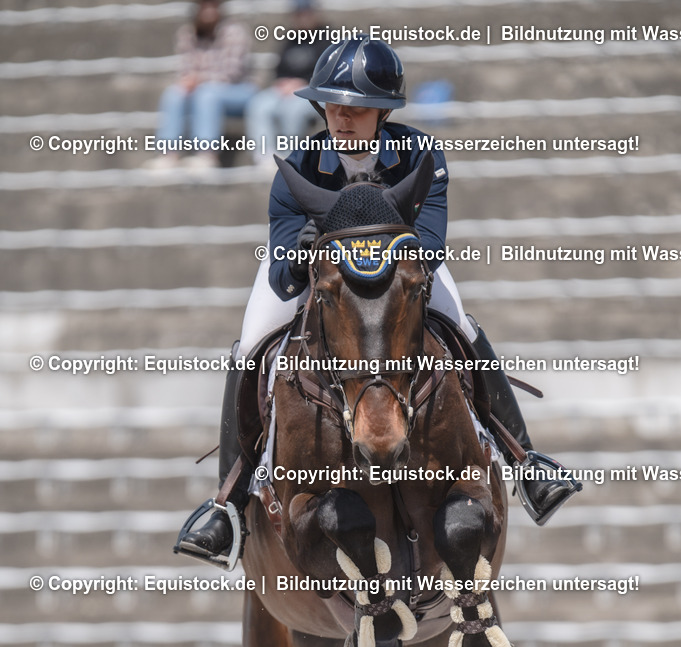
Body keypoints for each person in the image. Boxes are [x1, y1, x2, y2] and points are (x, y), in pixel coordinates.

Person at [177, 36, 580, 565]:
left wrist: (375, 264)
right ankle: (227, 505)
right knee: (250, 345)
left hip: (402, 279)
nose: (342, 116)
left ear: (383, 111)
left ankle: (524, 462)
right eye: (333, 104)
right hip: (319, 282)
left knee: (464, 326)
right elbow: (282, 263)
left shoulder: (420, 157)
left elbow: (429, 247)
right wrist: (304, 256)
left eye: (358, 107)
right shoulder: (296, 167)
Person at [152, 0, 256, 169]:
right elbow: (184, 69)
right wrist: (188, 82)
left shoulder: (235, 32)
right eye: (204, 6)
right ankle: (168, 155)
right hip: (203, 89)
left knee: (207, 94)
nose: (208, 10)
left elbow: (231, 73)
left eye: (212, 5)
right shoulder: (187, 33)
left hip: (239, 91)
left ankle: (207, 155)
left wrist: (197, 80)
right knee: (174, 93)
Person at [244, 0, 327, 166]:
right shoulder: (290, 40)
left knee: (292, 109)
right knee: (259, 103)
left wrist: (301, 83)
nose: (302, 17)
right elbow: (279, 70)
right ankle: (264, 155)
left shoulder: (327, 38)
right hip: (286, 90)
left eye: (306, 13)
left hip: (316, 91)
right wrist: (283, 83)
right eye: (298, 14)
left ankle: (288, 154)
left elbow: (329, 73)